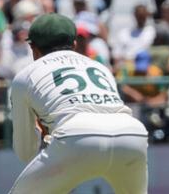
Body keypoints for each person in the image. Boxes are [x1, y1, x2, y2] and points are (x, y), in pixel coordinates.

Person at [9, 13, 148, 193]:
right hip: (132, 133)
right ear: (74, 45)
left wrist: (37, 128)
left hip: (77, 136)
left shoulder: (24, 76)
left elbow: (25, 153)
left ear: (33, 48)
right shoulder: (101, 68)